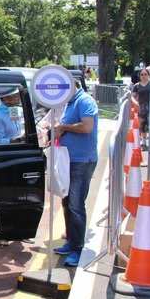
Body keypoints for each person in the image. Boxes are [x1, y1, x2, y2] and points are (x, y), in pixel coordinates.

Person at [53, 79, 98, 267]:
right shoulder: (69, 103)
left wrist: (64, 128)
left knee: (76, 204)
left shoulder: (85, 101)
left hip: (82, 161)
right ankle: (72, 241)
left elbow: (87, 127)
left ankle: (78, 248)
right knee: (67, 201)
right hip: (69, 160)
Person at [132, 67, 150, 150]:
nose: (143, 76)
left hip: (149, 108)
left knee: (148, 125)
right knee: (142, 126)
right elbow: (133, 97)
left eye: (145, 74)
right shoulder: (136, 86)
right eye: (142, 74)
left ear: (148, 75)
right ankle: (144, 143)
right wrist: (135, 103)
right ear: (139, 76)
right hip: (141, 108)